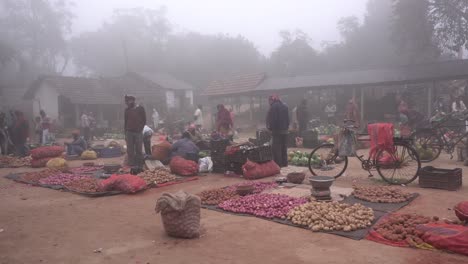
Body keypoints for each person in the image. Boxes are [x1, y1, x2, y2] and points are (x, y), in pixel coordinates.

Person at [266, 94, 290, 167]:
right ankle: (285, 163)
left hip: (277, 130)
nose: (269, 103)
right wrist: (287, 127)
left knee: (277, 148)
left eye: (269, 101)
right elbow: (288, 119)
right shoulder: (285, 106)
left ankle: (278, 164)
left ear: (272, 100)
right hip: (285, 130)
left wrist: (270, 128)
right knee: (284, 147)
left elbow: (273, 120)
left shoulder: (273, 107)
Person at [124, 95, 146, 167]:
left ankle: (139, 163)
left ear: (133, 101)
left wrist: (140, 128)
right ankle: (131, 164)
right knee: (130, 149)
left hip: (138, 132)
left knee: (138, 149)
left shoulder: (140, 108)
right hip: (129, 132)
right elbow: (126, 121)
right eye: (126, 101)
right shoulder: (127, 110)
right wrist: (125, 132)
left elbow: (144, 120)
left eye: (128, 101)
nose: (127, 103)